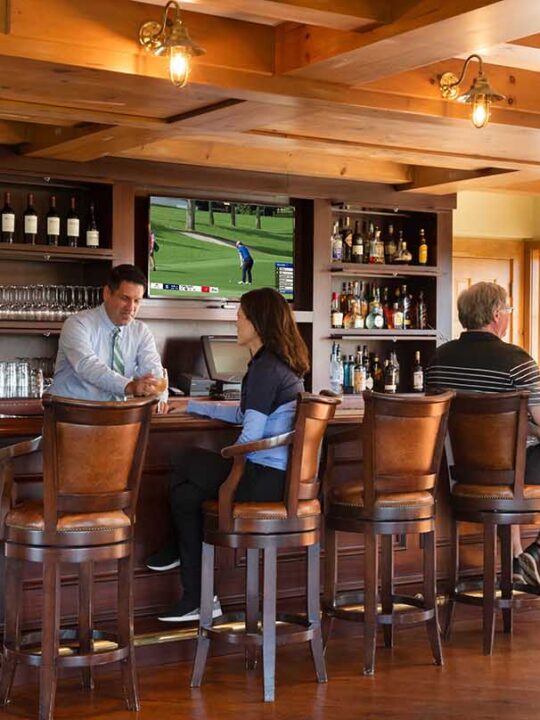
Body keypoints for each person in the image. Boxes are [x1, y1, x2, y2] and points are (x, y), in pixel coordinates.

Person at [146, 287, 309, 622]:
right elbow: (243, 416)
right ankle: (198, 599)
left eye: (241, 315)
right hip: (277, 479)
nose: (235, 321)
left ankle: (181, 560)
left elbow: (249, 437)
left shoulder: (266, 369)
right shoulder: (276, 365)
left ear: (258, 323)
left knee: (180, 458)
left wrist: (222, 456)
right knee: (185, 494)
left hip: (263, 480)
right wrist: (189, 405)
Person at [426, 281, 540, 585]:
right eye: (508, 310)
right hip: (511, 474)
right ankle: (537, 553)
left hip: (458, 475)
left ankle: (516, 563)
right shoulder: (518, 362)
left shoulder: (438, 359)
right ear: (495, 314)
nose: (509, 316)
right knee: (515, 455)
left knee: (510, 452)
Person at [50, 264, 167, 406]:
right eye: (125, 298)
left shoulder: (141, 331)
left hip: (119, 417)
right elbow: (88, 366)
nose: (131, 308)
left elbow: (153, 370)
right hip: (73, 417)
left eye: (137, 301)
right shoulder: (77, 324)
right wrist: (129, 386)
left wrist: (158, 396)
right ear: (107, 293)